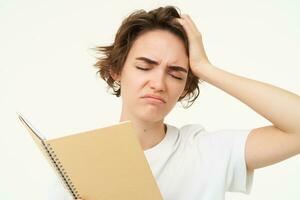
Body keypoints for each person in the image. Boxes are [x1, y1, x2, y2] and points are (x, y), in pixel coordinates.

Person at [48, 6, 300, 200]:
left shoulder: (207, 151)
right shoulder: (77, 163)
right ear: (116, 69)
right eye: (144, 67)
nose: (158, 83)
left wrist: (205, 68)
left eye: (176, 73)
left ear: (185, 87)